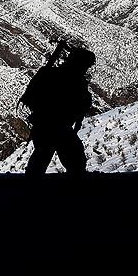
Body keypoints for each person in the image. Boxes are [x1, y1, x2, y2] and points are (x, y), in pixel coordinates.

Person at [20, 40, 95, 176]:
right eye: (85, 66)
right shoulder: (72, 80)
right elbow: (80, 102)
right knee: (75, 161)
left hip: (46, 126)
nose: (86, 69)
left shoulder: (52, 74)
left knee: (41, 160)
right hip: (55, 127)